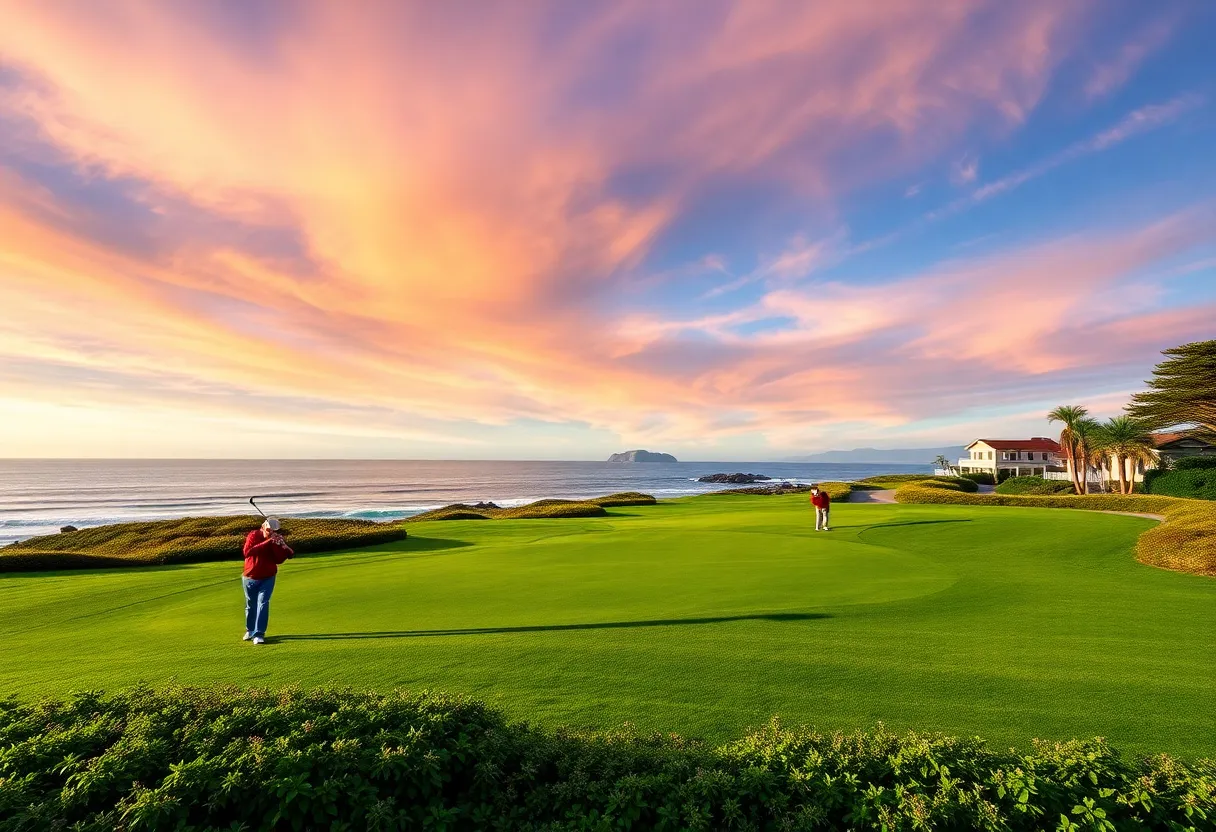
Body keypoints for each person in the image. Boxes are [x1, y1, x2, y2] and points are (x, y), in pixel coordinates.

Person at [241, 517, 293, 644]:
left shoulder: (275, 540)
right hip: (250, 577)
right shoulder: (253, 535)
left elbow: (280, 559)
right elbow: (248, 552)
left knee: (263, 603)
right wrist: (268, 542)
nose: (270, 533)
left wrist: (282, 546)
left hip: (268, 577)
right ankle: (250, 629)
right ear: (263, 526)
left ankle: (259, 633)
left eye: (273, 531)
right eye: (268, 530)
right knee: (250, 605)